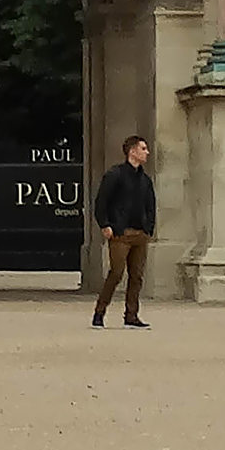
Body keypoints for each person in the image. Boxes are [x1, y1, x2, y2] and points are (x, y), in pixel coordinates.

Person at [89, 133, 156, 328]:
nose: (147, 152)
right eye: (143, 149)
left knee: (137, 276)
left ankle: (131, 315)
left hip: (140, 233)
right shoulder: (115, 174)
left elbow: (150, 205)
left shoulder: (145, 180)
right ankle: (100, 311)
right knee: (116, 273)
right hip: (121, 233)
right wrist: (105, 224)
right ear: (132, 151)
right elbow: (102, 201)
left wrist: (148, 228)